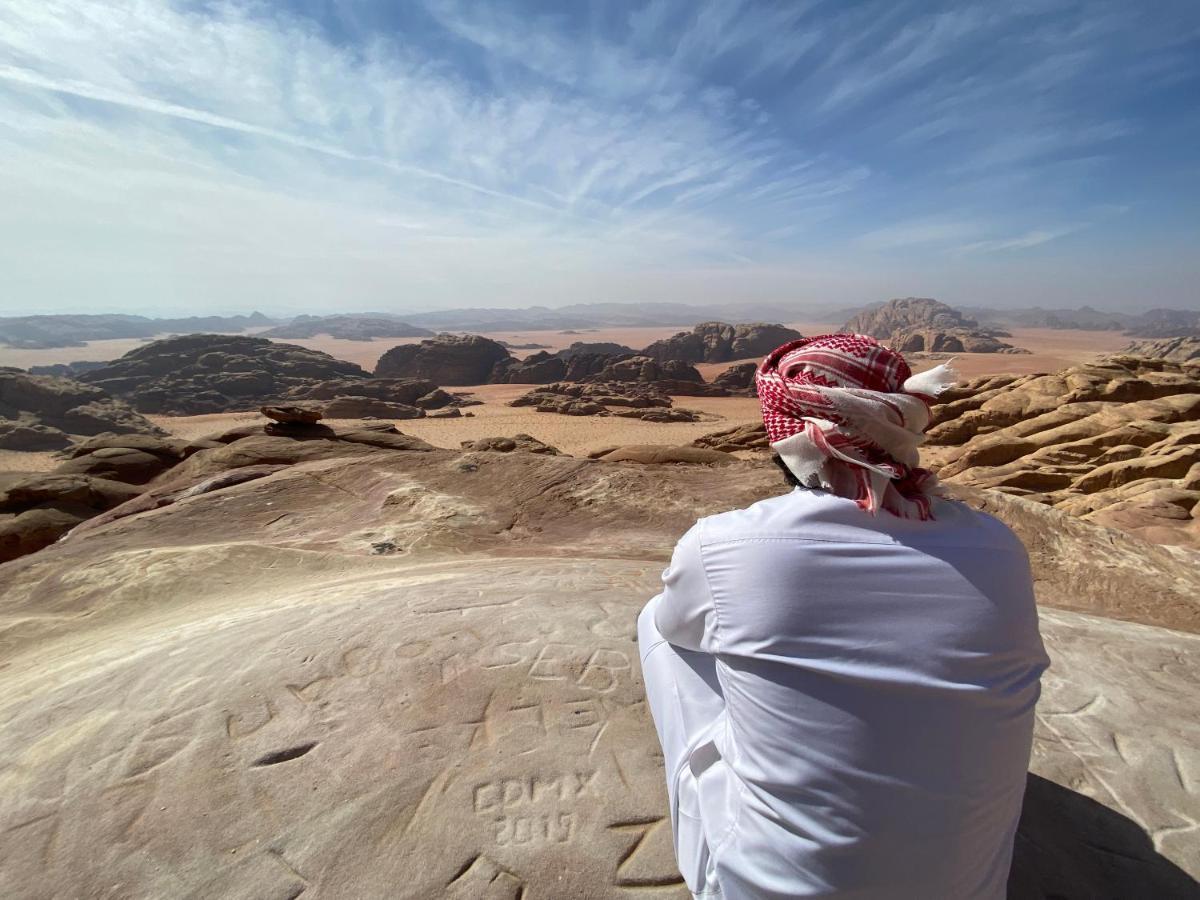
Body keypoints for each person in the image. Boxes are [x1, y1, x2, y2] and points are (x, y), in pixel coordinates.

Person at [638, 334, 1050, 899]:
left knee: (658, 622)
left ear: (785, 435)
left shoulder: (727, 543)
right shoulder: (1000, 548)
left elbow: (677, 629)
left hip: (756, 888)